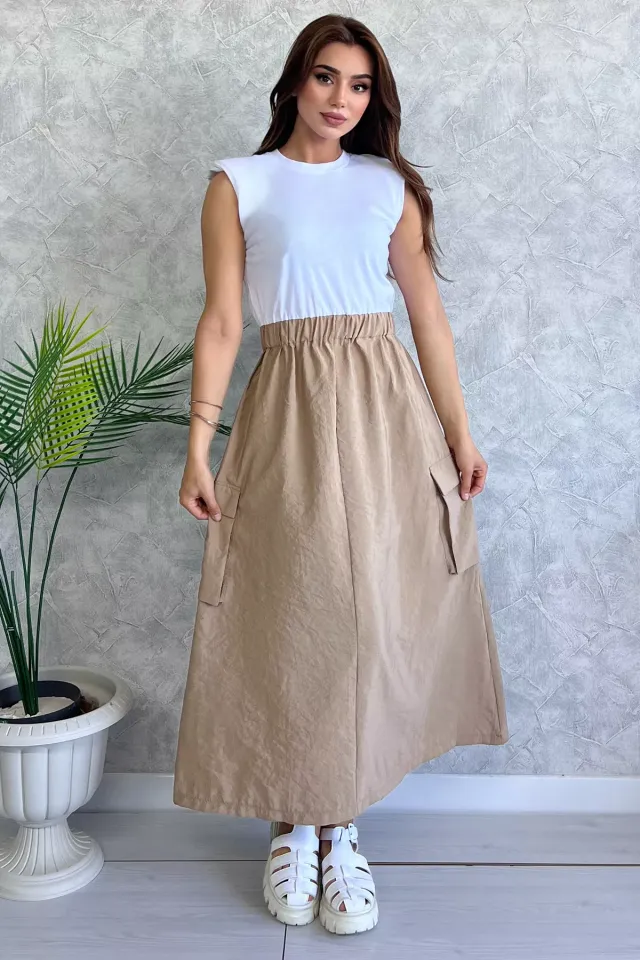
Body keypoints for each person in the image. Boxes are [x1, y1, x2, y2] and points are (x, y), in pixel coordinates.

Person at [173, 13, 509, 937]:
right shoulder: (239, 184)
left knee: (370, 617)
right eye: (327, 77)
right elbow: (222, 322)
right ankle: (292, 824)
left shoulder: (386, 187)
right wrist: (198, 446)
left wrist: (460, 435)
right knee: (297, 610)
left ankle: (341, 824)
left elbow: (426, 317)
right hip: (286, 405)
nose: (341, 99)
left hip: (384, 408)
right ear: (296, 82)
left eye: (360, 86)